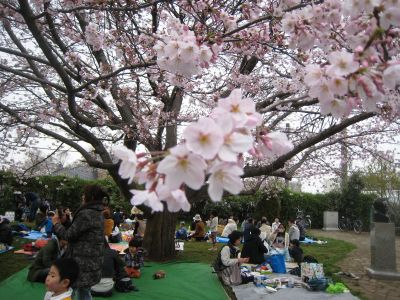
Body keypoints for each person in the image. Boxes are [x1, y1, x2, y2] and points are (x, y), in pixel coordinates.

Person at [52, 184, 106, 300]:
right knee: (84, 290)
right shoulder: (98, 212)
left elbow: (68, 235)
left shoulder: (86, 213)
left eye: (84, 194)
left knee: (69, 290)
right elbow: (79, 232)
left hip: (81, 263)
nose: (82, 196)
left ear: (90, 196)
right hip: (91, 261)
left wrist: (56, 223)